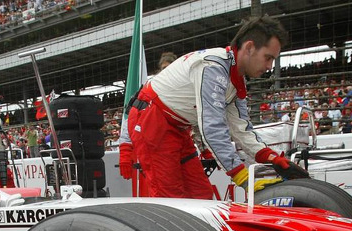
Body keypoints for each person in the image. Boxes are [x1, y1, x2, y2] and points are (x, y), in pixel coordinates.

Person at [122, 16, 309, 199]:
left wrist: (271, 157)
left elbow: (242, 129)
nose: (270, 66)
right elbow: (212, 127)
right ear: (250, 47)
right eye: (268, 58)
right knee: (172, 198)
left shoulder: (235, 79)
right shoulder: (213, 67)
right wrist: (241, 176)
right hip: (151, 119)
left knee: (201, 195)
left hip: (177, 126)